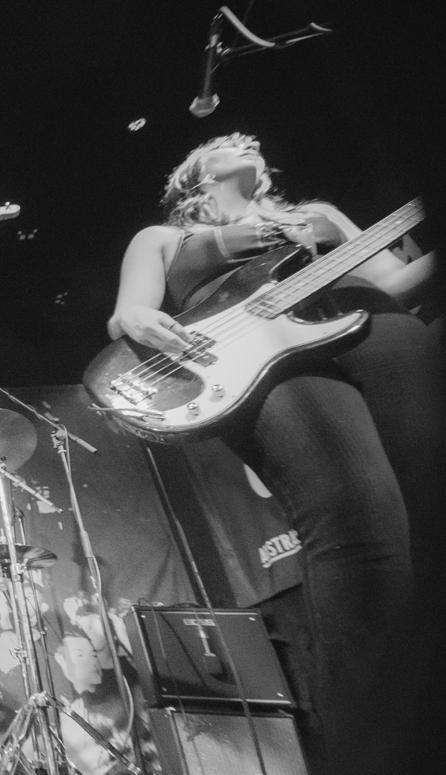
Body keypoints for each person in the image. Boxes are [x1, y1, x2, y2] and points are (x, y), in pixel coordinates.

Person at [106, 133, 442, 775]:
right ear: (195, 177)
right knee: (358, 528)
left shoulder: (318, 215)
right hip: (261, 358)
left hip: (374, 326)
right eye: (224, 141)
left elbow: (395, 282)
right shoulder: (163, 238)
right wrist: (140, 321)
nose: (245, 138)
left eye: (248, 138)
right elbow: (129, 315)